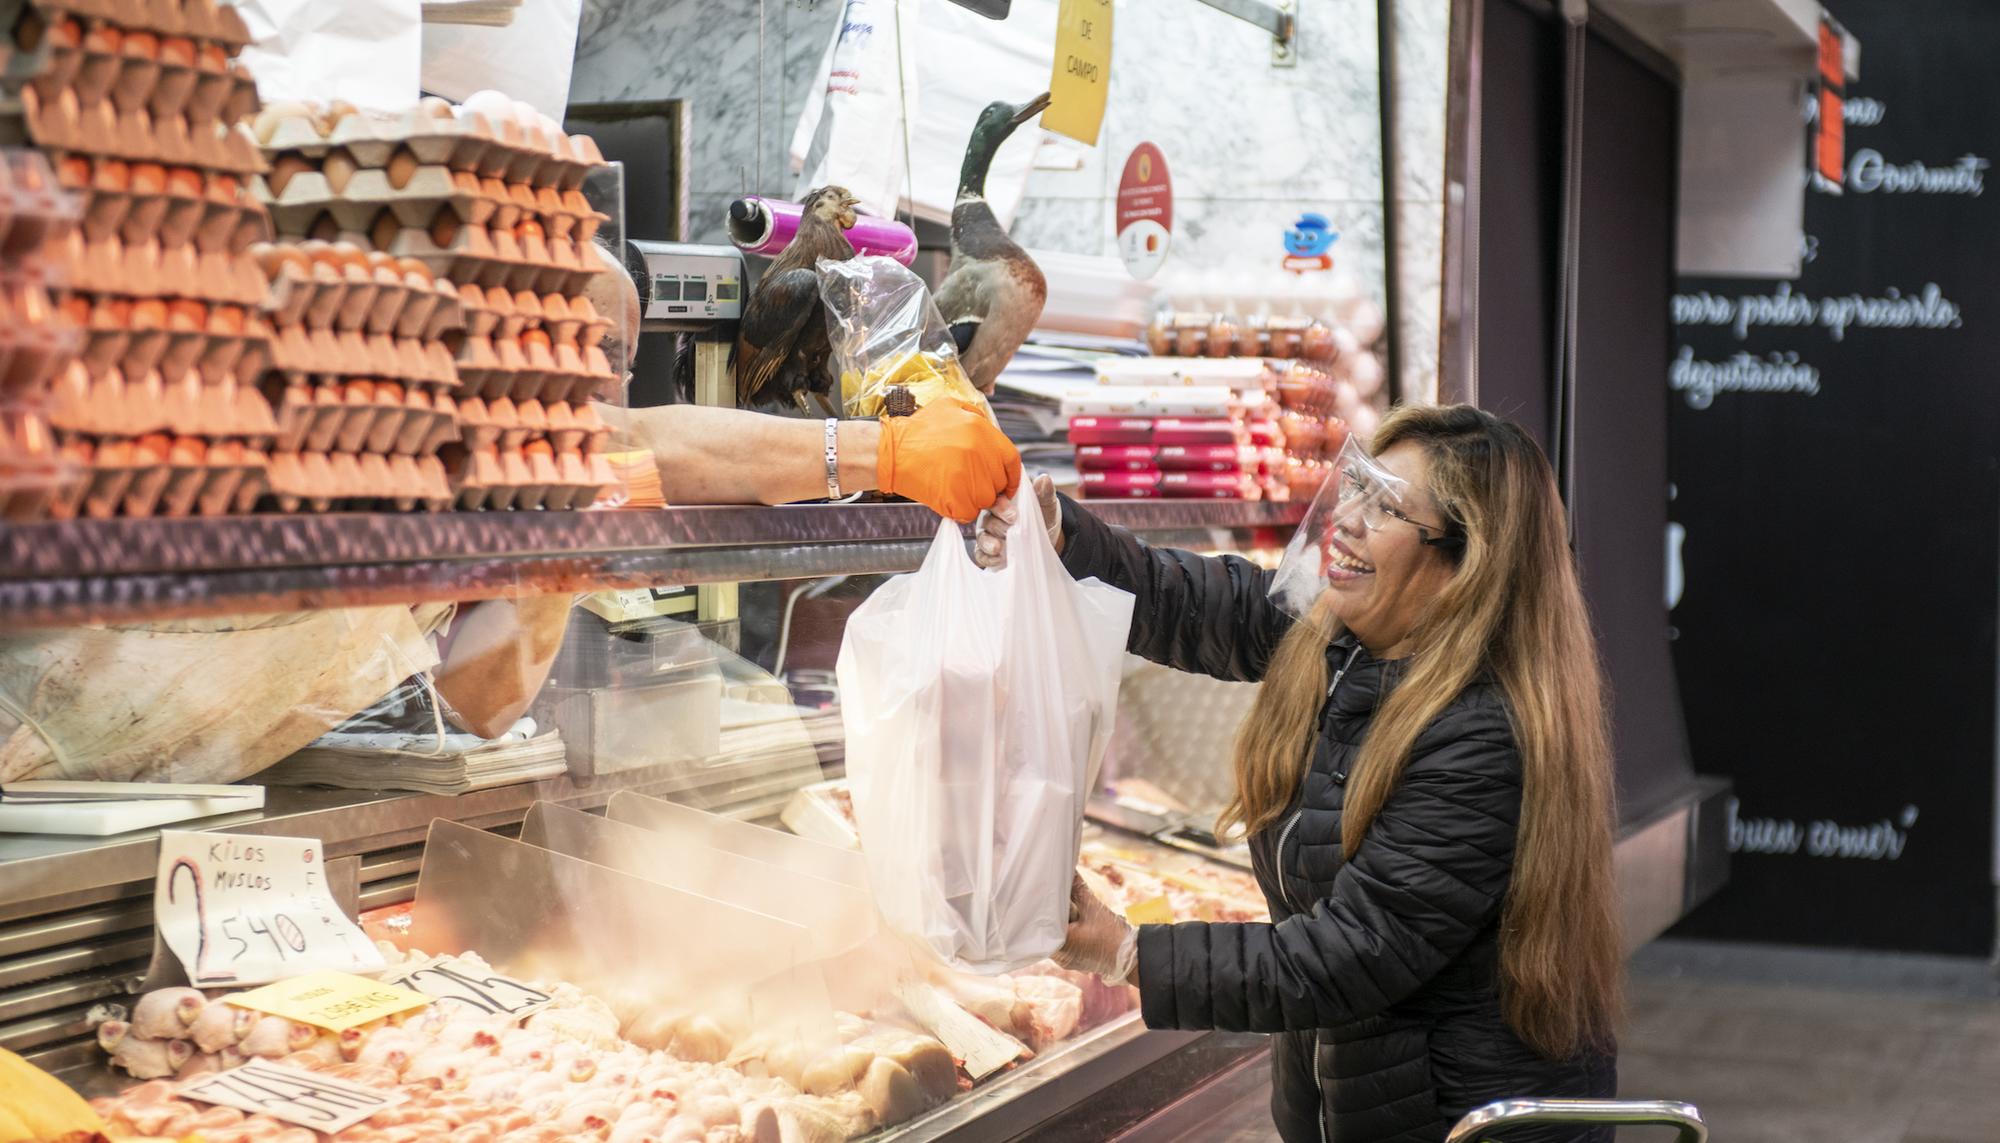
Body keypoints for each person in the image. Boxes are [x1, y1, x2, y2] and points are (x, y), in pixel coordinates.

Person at [0, 262, 1020, 785]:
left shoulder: (530, 478)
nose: (578, 369)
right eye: (546, 331)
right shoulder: (355, 415)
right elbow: (657, 437)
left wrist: (549, 570)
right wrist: (868, 454)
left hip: (163, 803)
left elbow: (482, 702)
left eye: (606, 347)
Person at [974, 404, 1620, 1143]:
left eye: (1385, 506)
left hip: (1455, 1120)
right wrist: (1062, 536)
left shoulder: (1481, 731)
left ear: (1462, 567)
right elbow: (1196, 602)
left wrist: (1128, 950)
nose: (1346, 518)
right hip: (1357, 1102)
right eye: (1358, 486)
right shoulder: (1349, 639)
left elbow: (1345, 957)